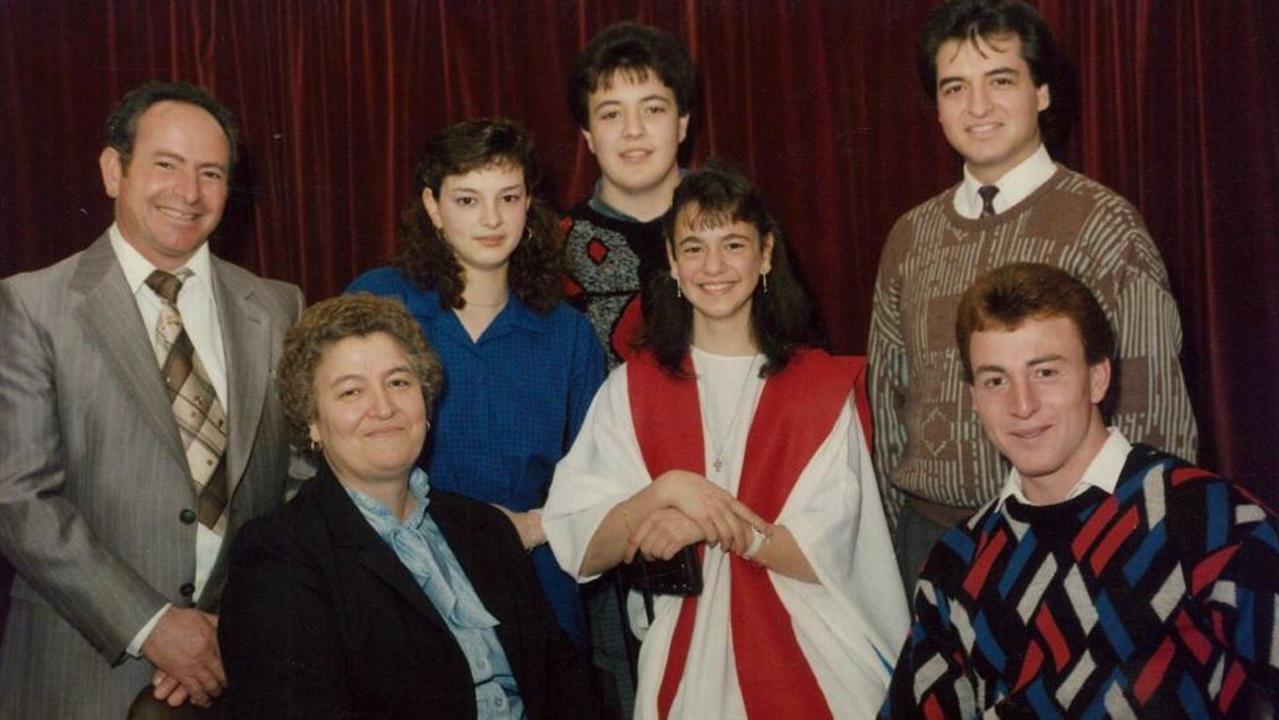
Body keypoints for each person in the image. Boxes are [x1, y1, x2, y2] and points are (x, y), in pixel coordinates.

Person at [544, 166, 909, 719]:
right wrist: (666, 491)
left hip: (818, 653)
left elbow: (831, 554)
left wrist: (709, 523)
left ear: (765, 254)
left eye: (733, 244)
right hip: (685, 666)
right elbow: (582, 544)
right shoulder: (633, 387)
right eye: (694, 247)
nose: (713, 267)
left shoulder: (821, 386)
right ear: (671, 260)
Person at [868, 0, 1198, 595]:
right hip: (930, 545)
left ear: (1042, 92)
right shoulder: (909, 237)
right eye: (954, 87)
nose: (978, 106)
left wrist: (1129, 563)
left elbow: (1161, 419)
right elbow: (888, 408)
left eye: (1000, 80)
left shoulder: (1105, 225)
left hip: (1073, 543)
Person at [0, 81, 303, 717]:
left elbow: (300, 486)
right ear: (115, 170)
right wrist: (153, 625)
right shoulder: (29, 307)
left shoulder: (278, 307)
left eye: (211, 173)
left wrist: (239, 622)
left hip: (240, 666)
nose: (188, 193)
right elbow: (18, 498)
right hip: (84, 673)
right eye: (165, 165)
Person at [882, 262, 1279, 718]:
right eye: (996, 380)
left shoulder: (1204, 519)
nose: (1022, 405)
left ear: (1097, 378)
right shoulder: (957, 562)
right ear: (973, 398)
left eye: (1045, 372)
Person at [218, 295, 596, 719]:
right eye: (350, 392)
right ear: (312, 422)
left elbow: (567, 688)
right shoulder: (277, 556)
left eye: (398, 382)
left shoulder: (483, 526)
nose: (383, 408)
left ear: (426, 401)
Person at [347, 118, 605, 646]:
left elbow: (598, 479)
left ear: (528, 204)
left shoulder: (567, 334)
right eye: (467, 200)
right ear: (433, 206)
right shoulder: (378, 303)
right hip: (402, 585)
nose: (491, 218)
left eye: (507, 197)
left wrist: (531, 529)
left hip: (533, 582)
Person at [563, 21, 695, 369]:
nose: (633, 130)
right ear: (588, 135)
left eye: (652, 109)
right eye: (611, 114)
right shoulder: (553, 250)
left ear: (681, 123)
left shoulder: (741, 226)